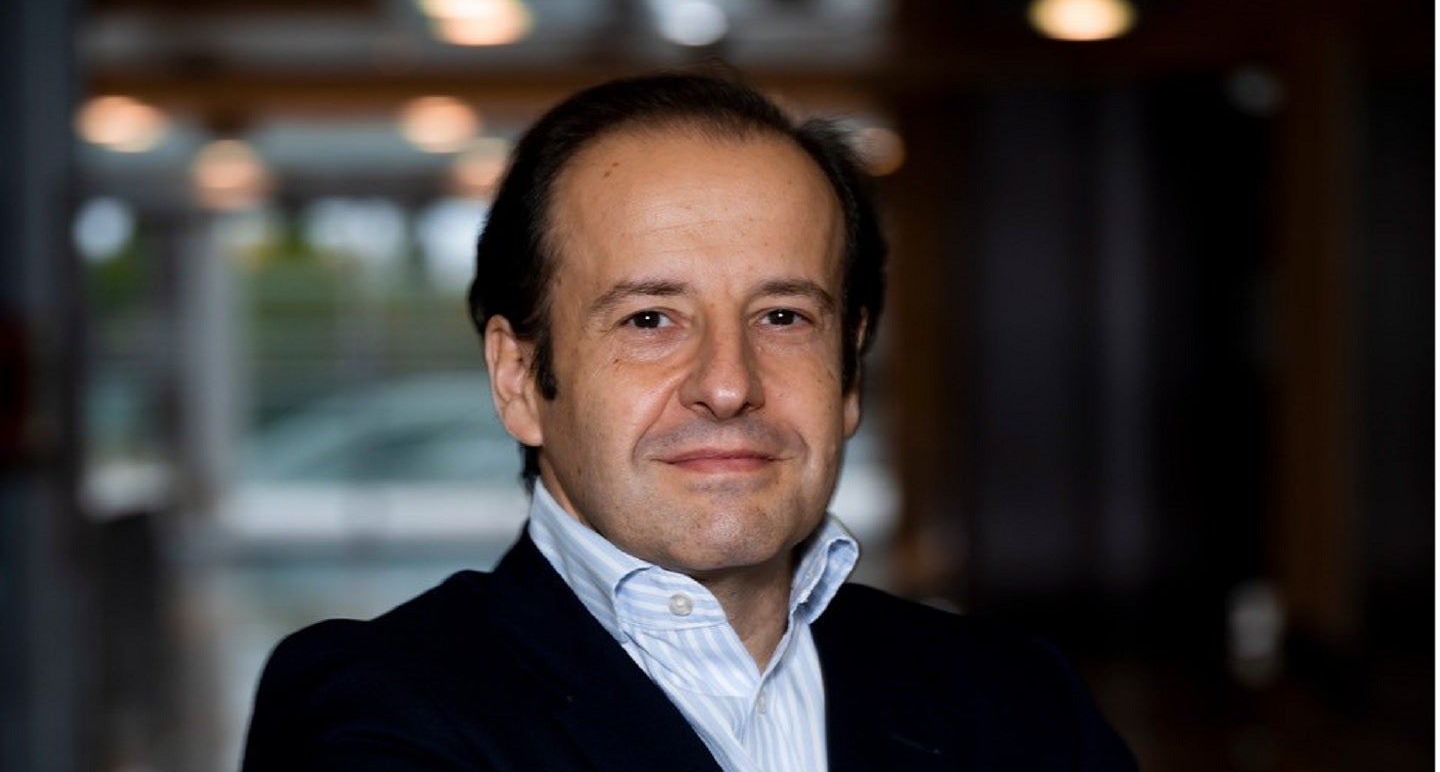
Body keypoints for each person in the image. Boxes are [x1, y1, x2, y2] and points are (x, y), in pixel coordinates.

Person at [241, 71, 1137, 771]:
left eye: (783, 316)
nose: (728, 384)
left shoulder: (1015, 695)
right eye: (649, 319)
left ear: (850, 372)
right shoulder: (378, 708)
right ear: (519, 379)